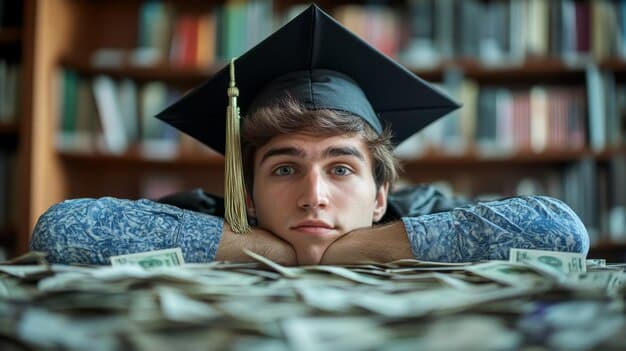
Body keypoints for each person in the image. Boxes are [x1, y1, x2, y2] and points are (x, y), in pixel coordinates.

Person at [30, 5, 589, 266]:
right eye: (284, 167)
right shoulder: (209, 217)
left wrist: (349, 250)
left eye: (341, 167)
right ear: (245, 195)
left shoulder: (425, 213)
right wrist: (262, 247)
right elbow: (60, 230)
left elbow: (563, 233)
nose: (313, 194)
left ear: (380, 197)